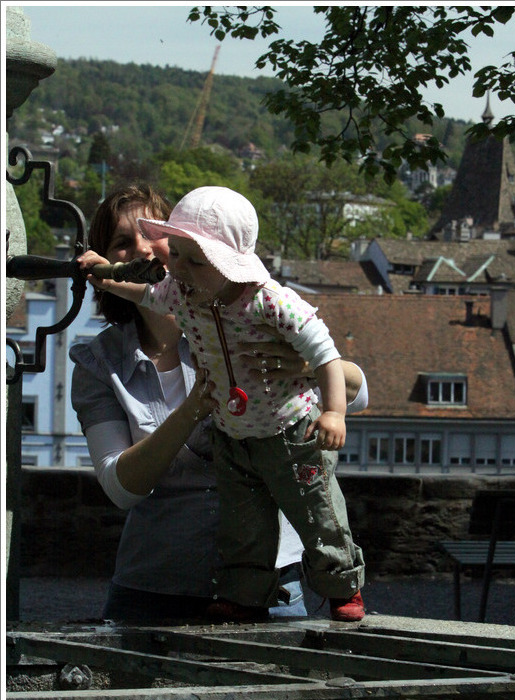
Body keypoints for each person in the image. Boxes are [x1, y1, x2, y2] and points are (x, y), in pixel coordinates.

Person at [72, 183, 369, 624]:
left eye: (151, 234)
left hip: (275, 583)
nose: (143, 249)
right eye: (122, 242)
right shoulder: (100, 363)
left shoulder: (249, 308)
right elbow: (121, 487)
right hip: (155, 585)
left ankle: (339, 580)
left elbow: (358, 392)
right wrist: (194, 406)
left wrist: (301, 364)